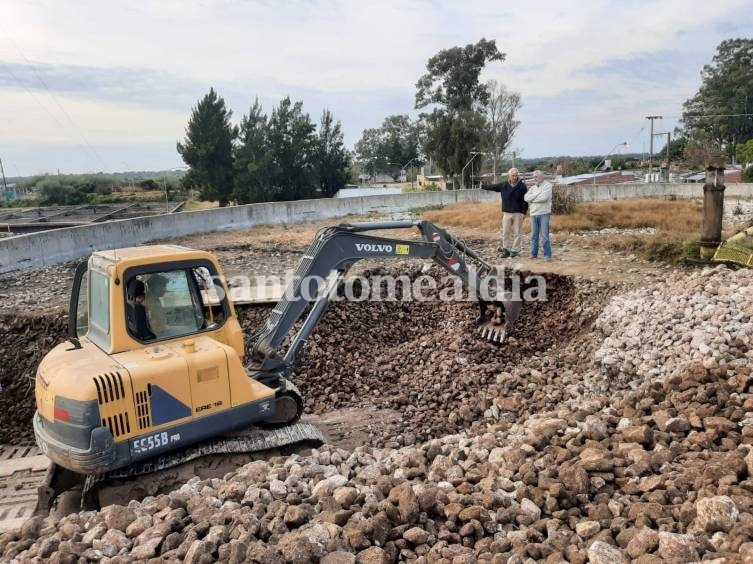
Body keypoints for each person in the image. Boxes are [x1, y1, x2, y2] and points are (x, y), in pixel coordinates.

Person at [481, 168, 528, 257]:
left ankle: (515, 250)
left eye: (516, 175)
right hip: (506, 213)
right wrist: (483, 186)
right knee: (505, 232)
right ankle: (505, 249)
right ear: (509, 176)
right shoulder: (504, 185)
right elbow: (493, 187)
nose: (515, 177)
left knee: (517, 232)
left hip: (518, 213)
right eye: (513, 175)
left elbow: (525, 201)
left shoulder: (522, 186)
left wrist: (524, 212)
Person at [524, 170, 553, 260]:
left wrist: (532, 199)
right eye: (534, 177)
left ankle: (547, 255)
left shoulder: (548, 185)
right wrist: (536, 195)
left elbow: (543, 198)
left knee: (544, 235)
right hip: (533, 214)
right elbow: (526, 198)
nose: (534, 178)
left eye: (536, 176)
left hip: (544, 213)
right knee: (534, 235)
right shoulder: (533, 188)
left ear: (541, 176)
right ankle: (534, 254)